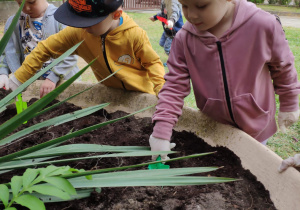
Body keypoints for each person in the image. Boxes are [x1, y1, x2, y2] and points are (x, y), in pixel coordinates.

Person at [148, 0, 300, 161]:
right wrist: (161, 132)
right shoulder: (184, 39)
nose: (191, 15)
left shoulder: (263, 25)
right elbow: (174, 86)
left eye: (201, 6)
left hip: (257, 126)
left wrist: (289, 103)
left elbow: (283, 66)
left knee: (250, 166)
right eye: (184, 6)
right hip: (215, 128)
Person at [4, 0, 166, 97]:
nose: (82, 27)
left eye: (88, 22)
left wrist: (163, 94)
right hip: (110, 95)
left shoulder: (134, 35)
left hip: (141, 96)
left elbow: (153, 64)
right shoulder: (79, 33)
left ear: (116, 15)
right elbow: (44, 48)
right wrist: (17, 80)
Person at [0, 0, 79, 98]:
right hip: (31, 85)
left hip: (62, 84)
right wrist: (3, 72)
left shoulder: (61, 18)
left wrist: (53, 78)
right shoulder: (14, 23)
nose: (26, 8)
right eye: (20, 3)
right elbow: (7, 52)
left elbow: (70, 54)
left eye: (32, 2)